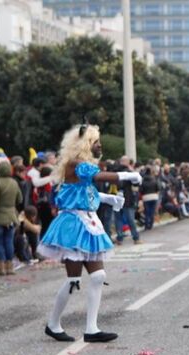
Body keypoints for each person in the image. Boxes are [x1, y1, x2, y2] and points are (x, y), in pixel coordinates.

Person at [37, 123, 133, 343]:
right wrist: (129, 176)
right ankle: (53, 324)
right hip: (72, 225)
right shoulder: (75, 164)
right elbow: (100, 177)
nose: (100, 146)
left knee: (98, 276)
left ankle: (92, 329)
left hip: (88, 222)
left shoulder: (83, 167)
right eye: (95, 142)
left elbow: (86, 193)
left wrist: (108, 199)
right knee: (73, 279)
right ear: (85, 145)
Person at [0, 161, 23, 276]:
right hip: (11, 216)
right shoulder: (14, 183)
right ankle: (10, 267)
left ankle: (1, 268)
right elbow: (20, 200)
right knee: (9, 241)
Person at [139, 163, 161, 231]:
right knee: (152, 211)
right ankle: (150, 224)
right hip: (154, 196)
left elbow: (141, 190)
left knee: (147, 211)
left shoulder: (143, 180)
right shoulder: (154, 179)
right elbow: (158, 188)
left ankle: (146, 225)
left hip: (146, 197)